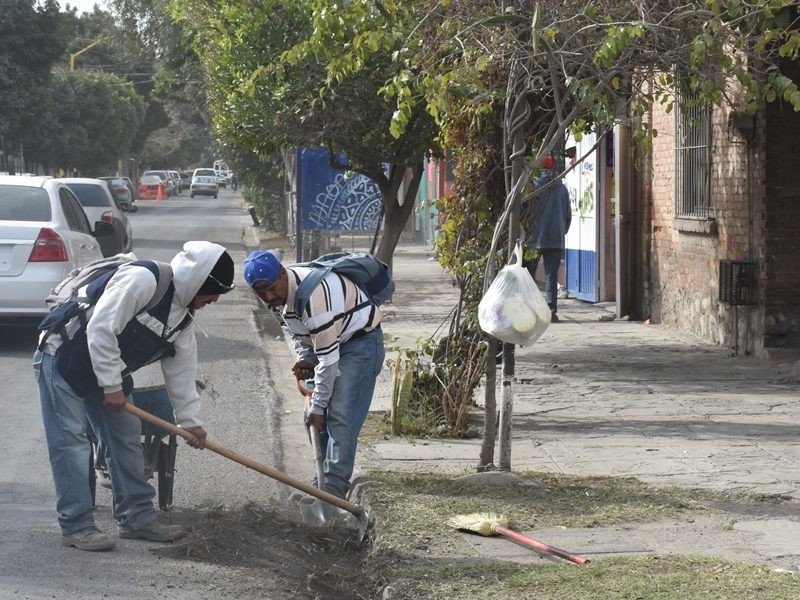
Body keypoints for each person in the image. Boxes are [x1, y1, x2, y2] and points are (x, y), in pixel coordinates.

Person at [34, 241, 236, 551]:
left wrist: (191, 424)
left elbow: (181, 373)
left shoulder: (182, 317)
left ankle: (137, 518)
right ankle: (77, 526)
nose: (214, 300)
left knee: (125, 436)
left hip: (105, 368)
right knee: (70, 443)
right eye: (213, 293)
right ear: (200, 280)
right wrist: (112, 387)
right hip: (64, 355)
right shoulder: (144, 280)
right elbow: (100, 328)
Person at [242, 250, 384, 500]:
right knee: (312, 417)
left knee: (339, 414)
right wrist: (305, 357)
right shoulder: (278, 298)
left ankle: (332, 491)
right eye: (262, 293)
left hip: (360, 342)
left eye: (273, 289)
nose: (269, 296)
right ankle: (323, 481)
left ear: (283, 274)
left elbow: (328, 361)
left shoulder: (314, 296)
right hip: (329, 342)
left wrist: (319, 406)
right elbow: (295, 333)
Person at [523, 161, 572, 322]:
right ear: (553, 169)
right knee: (551, 276)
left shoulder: (533, 187)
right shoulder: (562, 189)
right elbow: (567, 216)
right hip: (555, 237)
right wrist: (561, 231)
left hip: (534, 238)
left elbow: (526, 213)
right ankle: (551, 309)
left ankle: (530, 309)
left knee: (529, 275)